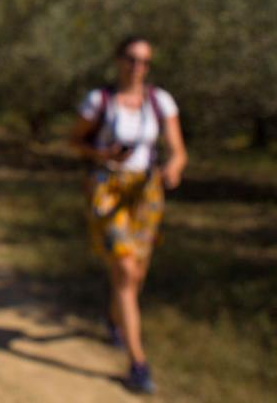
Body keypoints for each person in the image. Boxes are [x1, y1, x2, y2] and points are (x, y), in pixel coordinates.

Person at [69, 35, 188, 395]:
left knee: (136, 272)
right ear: (118, 59)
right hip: (107, 190)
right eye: (132, 59)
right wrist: (104, 155)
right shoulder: (99, 100)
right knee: (123, 267)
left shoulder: (159, 101)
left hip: (146, 193)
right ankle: (138, 364)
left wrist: (174, 168)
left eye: (144, 61)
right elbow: (75, 141)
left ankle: (113, 318)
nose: (138, 66)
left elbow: (178, 150)